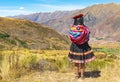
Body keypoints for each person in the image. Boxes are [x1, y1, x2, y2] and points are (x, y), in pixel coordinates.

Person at [68, 14, 96, 79]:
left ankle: (76, 76)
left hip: (74, 46)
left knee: (76, 62)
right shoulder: (85, 29)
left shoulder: (72, 28)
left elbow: (71, 37)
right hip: (83, 46)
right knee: (82, 62)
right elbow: (87, 38)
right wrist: (82, 40)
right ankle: (83, 76)